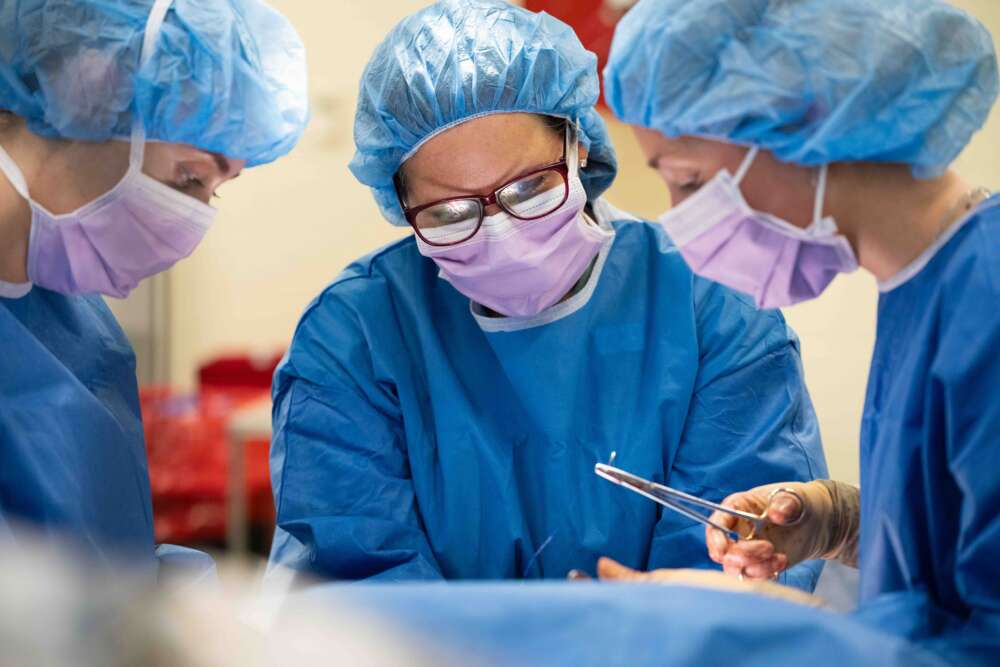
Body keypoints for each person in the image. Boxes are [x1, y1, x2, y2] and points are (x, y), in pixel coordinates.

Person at [266, 0, 827, 587]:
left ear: (577, 146)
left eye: (531, 187)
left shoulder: (712, 306)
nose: (503, 229)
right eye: (451, 213)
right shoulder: (355, 336)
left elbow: (739, 567)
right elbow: (359, 587)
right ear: (400, 207)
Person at [601, 0, 1000, 662]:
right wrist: (837, 523)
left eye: (688, 178)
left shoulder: (986, 299)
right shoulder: (921, 287)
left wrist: (793, 629)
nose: (681, 222)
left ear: (806, 115)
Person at [0, 0, 308, 575]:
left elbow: (107, 553)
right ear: (85, 87)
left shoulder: (80, 326)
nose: (192, 226)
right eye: (189, 178)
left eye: (214, 191)